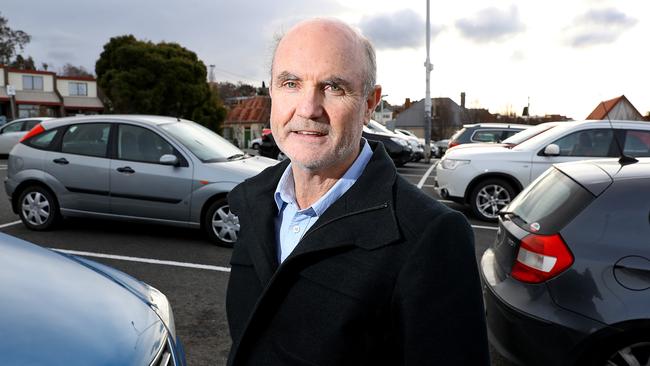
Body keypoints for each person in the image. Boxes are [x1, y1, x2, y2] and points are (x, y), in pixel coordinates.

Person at [226, 18, 489, 365]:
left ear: (369, 103)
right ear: (272, 91)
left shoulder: (429, 235)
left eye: (333, 87)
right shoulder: (254, 200)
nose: (307, 109)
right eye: (291, 83)